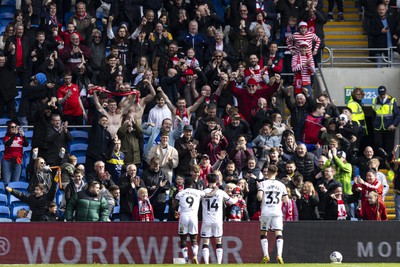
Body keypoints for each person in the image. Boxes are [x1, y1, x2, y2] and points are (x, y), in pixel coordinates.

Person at [173, 177, 217, 264]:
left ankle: (186, 260)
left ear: (184, 185)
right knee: (194, 239)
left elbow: (174, 206)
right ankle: (195, 255)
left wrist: (176, 211)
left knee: (183, 239)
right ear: (193, 185)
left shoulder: (180, 193)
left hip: (183, 217)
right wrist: (216, 188)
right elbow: (210, 195)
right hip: (193, 217)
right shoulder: (198, 192)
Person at [200, 174, 237, 264]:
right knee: (218, 241)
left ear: (207, 181)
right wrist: (236, 198)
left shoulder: (203, 192)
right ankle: (219, 263)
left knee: (205, 241)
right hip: (217, 220)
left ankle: (206, 263)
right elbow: (232, 201)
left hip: (206, 220)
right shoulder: (221, 192)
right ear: (216, 181)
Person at [257, 165, 288, 264]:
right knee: (278, 233)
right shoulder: (281, 184)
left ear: (267, 172)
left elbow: (259, 197)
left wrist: (260, 192)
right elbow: (286, 200)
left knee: (263, 232)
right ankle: (280, 255)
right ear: (276, 173)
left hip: (266, 211)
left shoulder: (263, 183)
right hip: (277, 211)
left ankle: (266, 255)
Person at [371, 86, 400, 155]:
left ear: (386, 92)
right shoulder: (375, 100)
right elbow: (373, 115)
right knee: (378, 147)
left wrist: (394, 124)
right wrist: (374, 124)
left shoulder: (392, 100)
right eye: (380, 94)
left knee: (389, 147)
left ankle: (388, 164)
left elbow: (398, 115)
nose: (382, 96)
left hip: (389, 128)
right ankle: (379, 163)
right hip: (378, 128)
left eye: (383, 94)